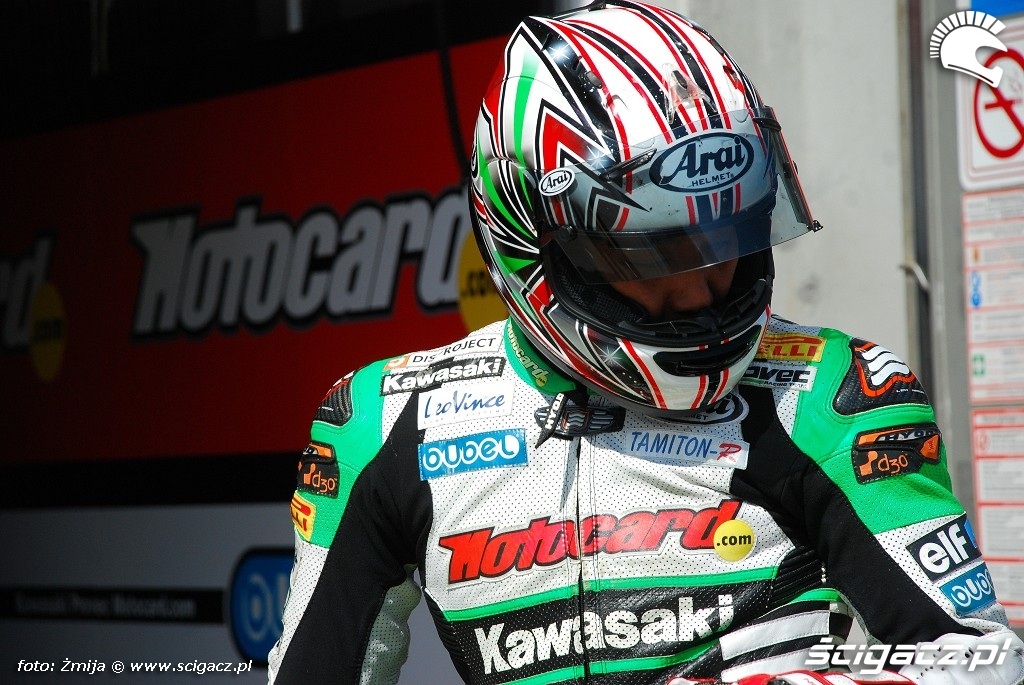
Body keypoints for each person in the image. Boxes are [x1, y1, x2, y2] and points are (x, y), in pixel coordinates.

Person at [267, 2, 1024, 683]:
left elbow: (980, 661)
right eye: (652, 257)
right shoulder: (385, 424)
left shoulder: (834, 394)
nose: (700, 292)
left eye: (724, 241)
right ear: (532, 241)